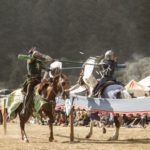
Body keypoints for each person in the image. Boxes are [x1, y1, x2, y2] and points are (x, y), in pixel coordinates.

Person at [21, 47, 53, 115]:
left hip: (39, 80)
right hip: (32, 80)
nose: (37, 55)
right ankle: (24, 108)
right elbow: (35, 55)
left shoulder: (39, 62)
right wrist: (44, 57)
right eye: (35, 54)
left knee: (48, 88)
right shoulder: (30, 60)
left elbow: (46, 68)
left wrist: (50, 68)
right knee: (28, 94)